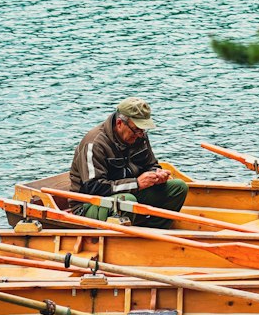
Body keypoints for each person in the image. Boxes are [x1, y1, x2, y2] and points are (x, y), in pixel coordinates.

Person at [69, 97, 189, 228]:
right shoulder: (94, 143)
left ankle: (153, 232)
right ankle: (121, 241)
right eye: (137, 129)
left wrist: (157, 174)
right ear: (120, 123)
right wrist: (137, 184)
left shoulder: (139, 136)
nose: (140, 134)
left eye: (143, 130)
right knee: (127, 202)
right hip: (89, 204)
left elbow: (151, 164)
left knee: (178, 187)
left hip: (127, 193)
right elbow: (93, 187)